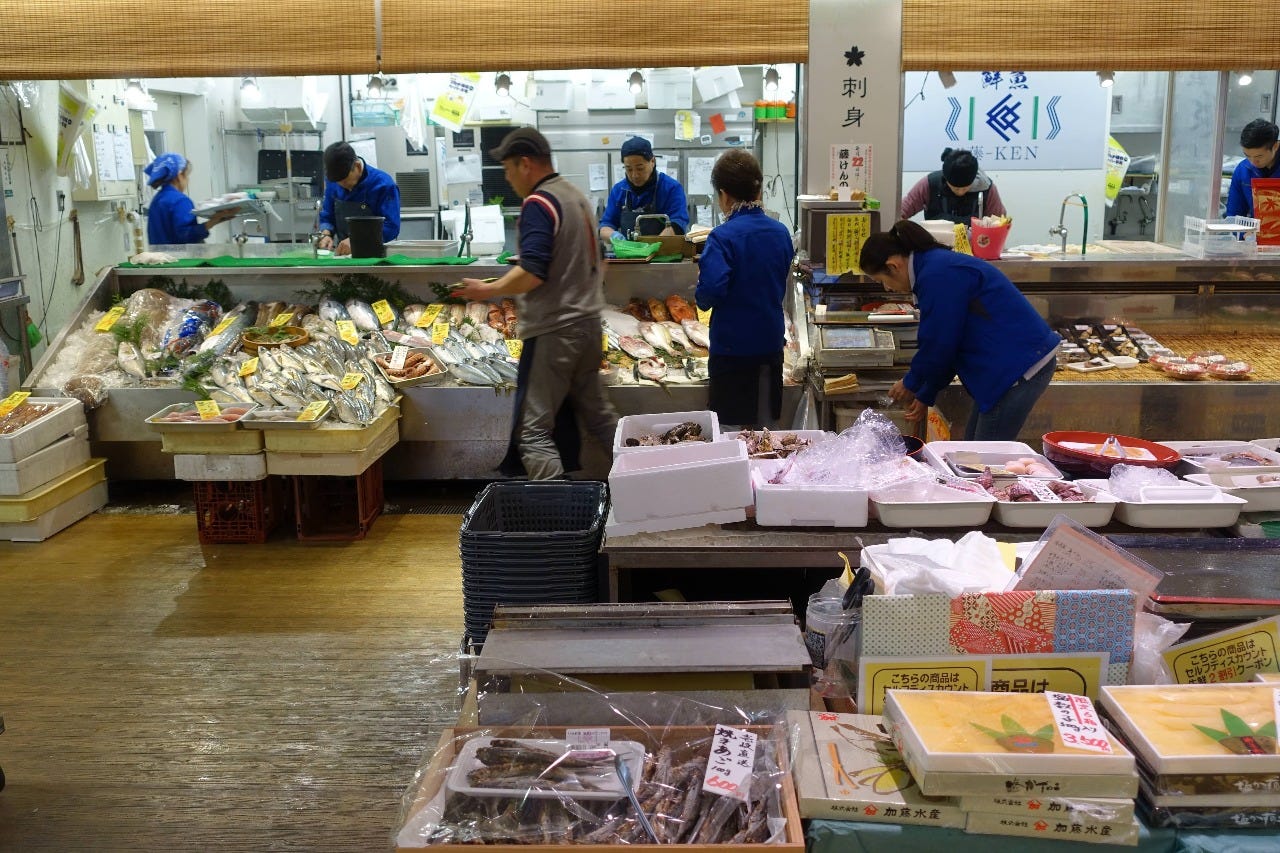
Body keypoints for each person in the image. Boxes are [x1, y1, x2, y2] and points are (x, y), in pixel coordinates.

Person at [455, 127, 617, 480]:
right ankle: (647, 483)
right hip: (588, 325)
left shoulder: (538, 203)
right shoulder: (577, 197)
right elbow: (597, 259)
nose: (508, 179)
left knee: (534, 433)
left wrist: (489, 289)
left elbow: (533, 272)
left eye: (509, 170)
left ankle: (560, 523)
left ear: (525, 164)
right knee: (600, 418)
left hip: (555, 331)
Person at [859, 220, 1059, 441]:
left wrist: (911, 382)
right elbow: (950, 343)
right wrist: (926, 393)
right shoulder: (932, 267)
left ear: (893, 265)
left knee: (982, 460)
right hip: (1006, 366)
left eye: (882, 281)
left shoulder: (937, 273)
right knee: (971, 451)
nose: (887, 289)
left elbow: (939, 341)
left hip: (1019, 366)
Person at [694, 150, 794, 428]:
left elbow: (708, 295)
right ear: (758, 189)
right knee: (765, 434)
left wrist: (700, 286)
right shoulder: (780, 232)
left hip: (732, 353)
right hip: (770, 347)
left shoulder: (722, 237)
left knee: (731, 436)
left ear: (724, 195)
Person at [598, 136, 689, 242]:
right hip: (629, 255)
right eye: (629, 169)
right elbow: (605, 226)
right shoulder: (619, 191)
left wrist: (655, 246)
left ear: (653, 161)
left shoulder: (671, 188)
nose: (635, 175)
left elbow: (678, 223)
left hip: (663, 255)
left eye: (640, 168)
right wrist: (614, 236)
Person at [317, 141, 401, 255]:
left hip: (375, 256)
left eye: (345, 181)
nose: (342, 186)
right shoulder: (334, 182)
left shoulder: (384, 185)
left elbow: (391, 227)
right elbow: (327, 214)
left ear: (357, 166)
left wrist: (358, 241)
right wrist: (326, 234)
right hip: (343, 256)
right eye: (338, 182)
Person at [144, 153, 239, 245]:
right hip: (179, 259)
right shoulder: (180, 201)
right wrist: (212, 222)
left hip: (158, 257)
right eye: (187, 175)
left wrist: (216, 220)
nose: (188, 180)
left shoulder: (156, 200)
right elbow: (186, 236)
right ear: (179, 176)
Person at [900, 147, 1006, 224]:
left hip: (975, 249)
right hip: (936, 248)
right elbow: (900, 211)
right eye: (955, 188)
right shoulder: (930, 184)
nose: (960, 192)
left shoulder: (987, 189)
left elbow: (1000, 222)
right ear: (946, 179)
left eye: (965, 188)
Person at [1225, 119, 1279, 219]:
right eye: (1248, 156)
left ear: (1275, 146)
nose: (1253, 162)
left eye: (1259, 156)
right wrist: (1245, 233)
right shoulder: (1243, 170)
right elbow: (1234, 216)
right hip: (1254, 233)